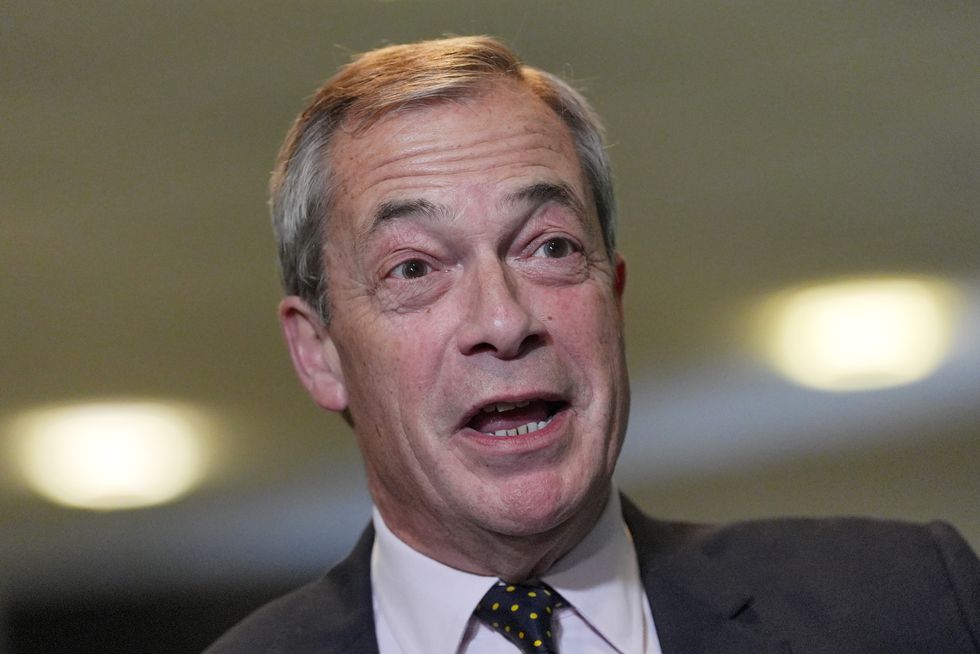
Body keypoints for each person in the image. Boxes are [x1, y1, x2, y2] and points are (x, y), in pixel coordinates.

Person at [206, 36, 980, 653]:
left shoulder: (910, 603)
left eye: (547, 248)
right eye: (414, 268)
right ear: (319, 353)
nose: (505, 322)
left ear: (612, 296)